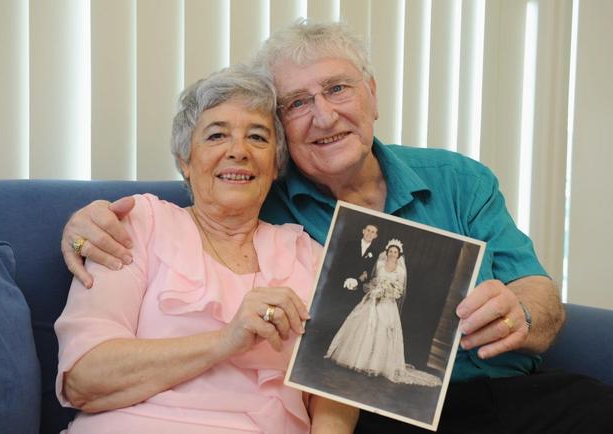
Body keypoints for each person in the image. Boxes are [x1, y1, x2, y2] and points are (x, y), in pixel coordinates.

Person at [60, 20, 612, 434]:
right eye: (298, 103)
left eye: (337, 90)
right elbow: (207, 195)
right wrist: (82, 227)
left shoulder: (458, 182)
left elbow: (540, 295)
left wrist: (523, 312)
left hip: (500, 391)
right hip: (383, 416)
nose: (323, 116)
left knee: (590, 405)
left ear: (371, 92)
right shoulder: (256, 207)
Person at [54, 65, 357, 434]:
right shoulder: (138, 224)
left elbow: (335, 391)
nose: (239, 151)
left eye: (258, 138)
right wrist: (226, 341)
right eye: (216, 136)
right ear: (185, 160)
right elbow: (83, 380)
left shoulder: (307, 255)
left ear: (276, 164)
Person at [326, 239, 441, 387]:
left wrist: (387, 293)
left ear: (399, 254)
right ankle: (356, 360)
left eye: (395, 252)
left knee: (381, 331)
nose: (393, 254)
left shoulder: (400, 270)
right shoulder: (380, 265)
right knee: (365, 327)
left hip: (388, 303)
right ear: (387, 252)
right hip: (374, 299)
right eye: (391, 251)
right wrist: (375, 290)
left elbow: (400, 290)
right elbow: (374, 280)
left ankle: (375, 365)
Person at [340, 224, 379, 291]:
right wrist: (348, 279)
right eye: (368, 230)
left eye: (372, 232)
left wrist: (361, 278)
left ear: (375, 236)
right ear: (363, 231)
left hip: (358, 287)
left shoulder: (375, 253)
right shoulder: (350, 244)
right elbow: (341, 263)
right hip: (343, 282)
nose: (369, 233)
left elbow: (371, 270)